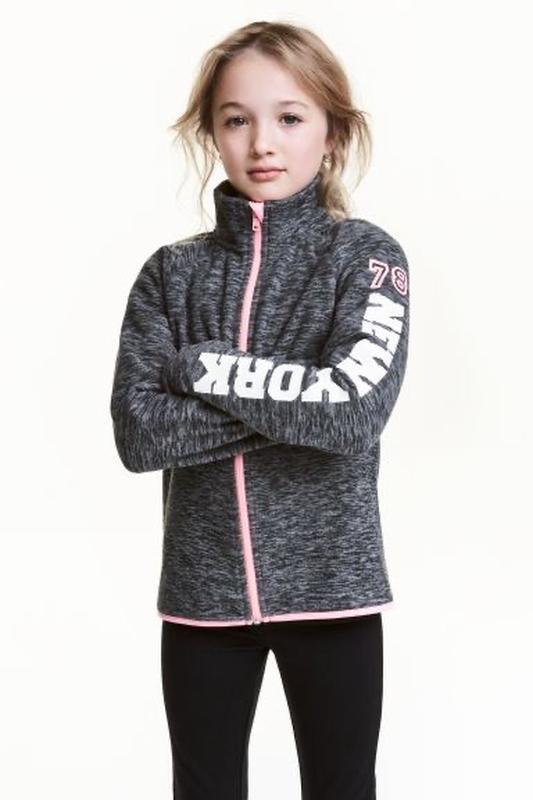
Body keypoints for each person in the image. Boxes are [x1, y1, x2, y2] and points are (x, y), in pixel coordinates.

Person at [110, 19, 410, 800]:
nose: (262, 143)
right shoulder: (170, 275)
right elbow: (139, 434)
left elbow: (353, 413)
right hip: (201, 600)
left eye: (289, 117)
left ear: (332, 133)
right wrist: (298, 401)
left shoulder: (366, 258)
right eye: (236, 119)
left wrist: (198, 368)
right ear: (211, 133)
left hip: (334, 593)